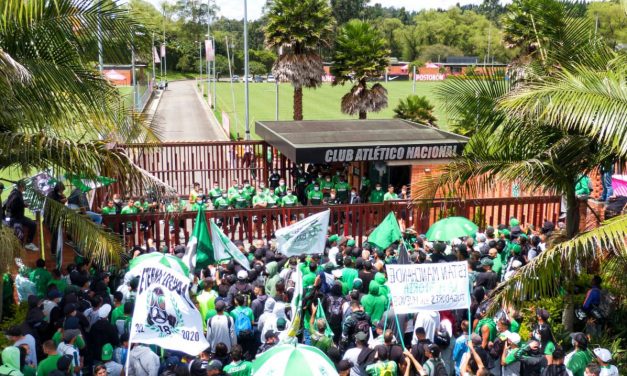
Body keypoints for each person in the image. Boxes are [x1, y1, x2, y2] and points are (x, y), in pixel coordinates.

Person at [4, 180, 38, 251]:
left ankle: (28, 243)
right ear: (21, 187)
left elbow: (17, 204)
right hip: (15, 218)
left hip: (20, 217)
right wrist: (7, 220)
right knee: (20, 234)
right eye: (24, 187)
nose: (24, 188)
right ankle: (18, 249)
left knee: (33, 224)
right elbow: (9, 206)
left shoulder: (18, 193)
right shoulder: (15, 195)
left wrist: (23, 204)